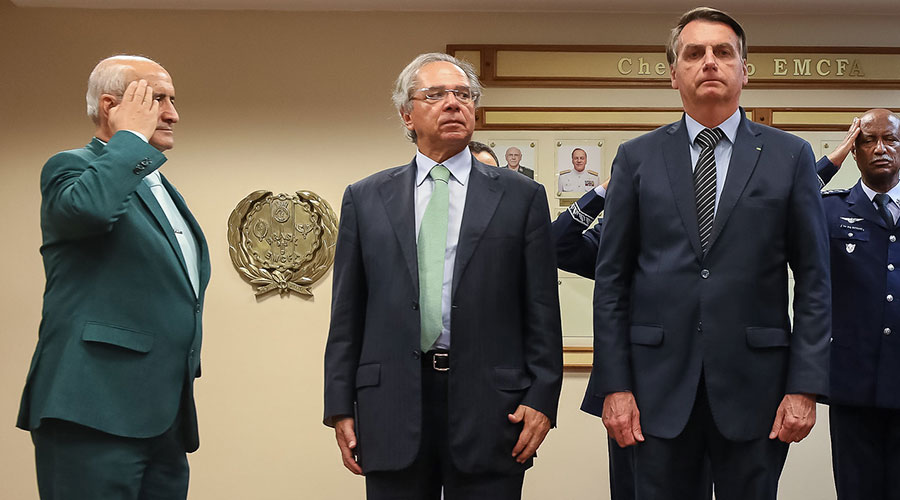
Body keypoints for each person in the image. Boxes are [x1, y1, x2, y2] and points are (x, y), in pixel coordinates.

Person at [582, 7, 831, 500]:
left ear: (745, 69)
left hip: (757, 390)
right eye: (694, 53)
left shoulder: (790, 156)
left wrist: (804, 386)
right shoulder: (636, 157)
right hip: (653, 391)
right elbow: (612, 282)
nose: (710, 62)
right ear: (674, 74)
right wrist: (615, 385)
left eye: (724, 52)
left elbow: (814, 280)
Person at [323, 53, 562, 500]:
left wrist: (543, 398)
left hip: (494, 407)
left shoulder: (522, 197)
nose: (453, 103)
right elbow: (347, 314)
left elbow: (542, 310)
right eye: (435, 95)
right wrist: (339, 406)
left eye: (463, 95)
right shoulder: (365, 198)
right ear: (407, 114)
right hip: (390, 404)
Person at [16, 55, 209, 500]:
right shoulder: (70, 167)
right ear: (110, 106)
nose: (173, 114)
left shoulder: (158, 187)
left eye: (174, 101)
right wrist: (129, 138)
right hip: (92, 409)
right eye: (157, 99)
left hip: (162, 421)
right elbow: (89, 210)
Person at [820, 109, 900, 500]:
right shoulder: (830, 209)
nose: (880, 149)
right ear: (854, 151)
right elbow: (779, 205)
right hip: (853, 387)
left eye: (891, 139)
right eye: (867, 141)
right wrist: (830, 162)